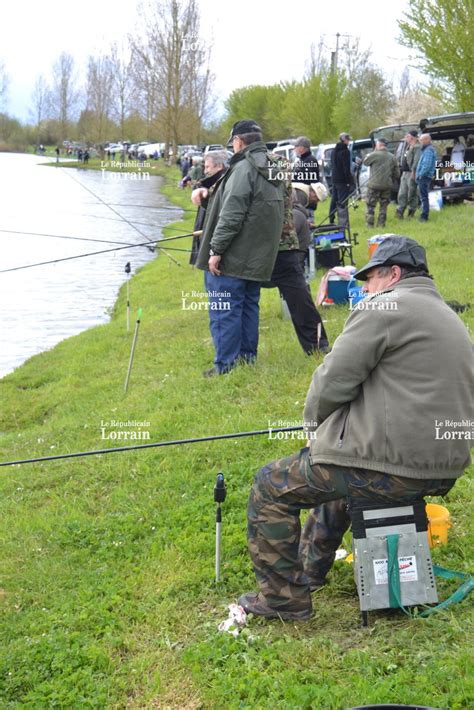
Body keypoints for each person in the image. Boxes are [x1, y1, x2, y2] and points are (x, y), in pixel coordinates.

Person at [238, 235, 472, 619]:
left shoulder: (384, 307)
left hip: (395, 466)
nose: (365, 287)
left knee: (270, 485)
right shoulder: (447, 315)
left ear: (393, 274)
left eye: (371, 277)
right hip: (444, 466)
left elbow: (332, 380)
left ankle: (282, 600)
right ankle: (310, 571)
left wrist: (313, 430)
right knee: (343, 474)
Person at [194, 120, 285, 376]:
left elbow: (232, 213)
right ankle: (246, 361)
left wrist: (216, 251)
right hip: (257, 256)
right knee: (247, 307)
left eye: (233, 142)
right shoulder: (272, 166)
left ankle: (225, 366)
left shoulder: (243, 168)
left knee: (225, 310)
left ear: (239, 141)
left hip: (234, 256)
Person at [265, 180, 330, 355]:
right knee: (302, 303)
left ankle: (318, 346)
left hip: (284, 259)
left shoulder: (296, 211)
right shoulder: (299, 207)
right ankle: (318, 345)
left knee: (301, 304)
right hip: (287, 259)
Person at [189, 151, 228, 266]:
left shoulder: (223, 184)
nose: (205, 171)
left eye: (207, 167)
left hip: (215, 248)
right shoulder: (208, 184)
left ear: (220, 166)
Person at [363, 138, 400, 227]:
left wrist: (374, 152)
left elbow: (365, 162)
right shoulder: (392, 157)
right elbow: (397, 173)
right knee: (383, 206)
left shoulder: (374, 155)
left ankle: (369, 224)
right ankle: (381, 224)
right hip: (386, 185)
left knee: (370, 206)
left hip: (374, 185)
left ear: (378, 145)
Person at [328, 133, 353, 228]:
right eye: (348, 139)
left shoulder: (334, 150)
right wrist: (349, 181)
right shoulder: (345, 151)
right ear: (344, 140)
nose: (349, 141)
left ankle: (331, 218)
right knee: (342, 201)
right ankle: (343, 222)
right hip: (342, 180)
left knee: (334, 199)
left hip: (334, 178)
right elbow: (346, 168)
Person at [396, 131, 421, 219]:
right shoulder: (408, 146)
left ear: (413, 137)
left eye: (408, 136)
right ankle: (400, 211)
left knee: (412, 193)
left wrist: (414, 172)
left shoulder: (417, 147)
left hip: (411, 173)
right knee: (402, 193)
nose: (406, 137)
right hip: (405, 172)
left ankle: (411, 212)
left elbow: (416, 161)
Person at [415, 133, 437, 222]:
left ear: (427, 140)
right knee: (423, 196)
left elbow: (427, 165)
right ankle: (423, 214)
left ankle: (424, 216)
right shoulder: (426, 150)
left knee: (424, 197)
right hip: (424, 176)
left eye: (421, 140)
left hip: (424, 177)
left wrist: (420, 174)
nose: (420, 142)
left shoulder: (428, 150)